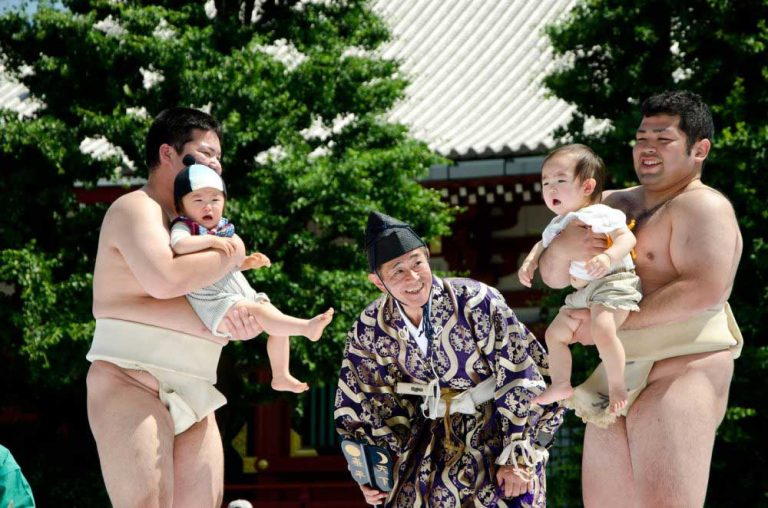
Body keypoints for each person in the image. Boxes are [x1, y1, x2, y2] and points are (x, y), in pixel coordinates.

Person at [538, 90, 743, 506]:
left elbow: (705, 288)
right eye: (641, 138)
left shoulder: (706, 207)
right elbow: (555, 277)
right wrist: (558, 250)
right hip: (619, 368)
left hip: (684, 363)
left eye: (663, 139)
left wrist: (612, 324)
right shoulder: (608, 204)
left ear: (698, 149)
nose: (647, 149)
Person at [86, 107, 267, 507]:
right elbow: (163, 280)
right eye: (205, 152)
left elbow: (235, 303)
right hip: (130, 378)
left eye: (218, 155)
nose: (215, 162)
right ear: (168, 154)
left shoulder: (206, 227)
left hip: (195, 384)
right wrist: (233, 252)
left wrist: (247, 317)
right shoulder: (136, 208)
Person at [334, 211, 565, 507]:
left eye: (418, 263)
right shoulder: (371, 325)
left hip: (498, 430)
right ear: (379, 282)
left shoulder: (476, 300)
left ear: (428, 258)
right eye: (398, 271)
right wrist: (372, 476)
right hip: (430, 438)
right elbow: (362, 400)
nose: (413, 277)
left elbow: (521, 373)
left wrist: (520, 454)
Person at [170, 162, 334, 393]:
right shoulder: (186, 227)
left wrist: (247, 263)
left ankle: (281, 375)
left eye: (215, 200)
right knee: (264, 313)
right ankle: (307, 327)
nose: (208, 206)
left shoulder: (222, 229)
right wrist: (212, 241)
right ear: (181, 206)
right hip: (215, 302)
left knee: (276, 321)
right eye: (198, 200)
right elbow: (179, 245)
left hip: (237, 295)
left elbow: (225, 267)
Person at [518, 144, 641, 421]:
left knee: (602, 329)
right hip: (584, 291)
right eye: (545, 182)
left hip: (613, 280)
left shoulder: (601, 213)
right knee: (554, 334)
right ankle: (561, 383)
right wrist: (529, 262)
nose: (551, 188)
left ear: (587, 186)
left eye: (560, 181)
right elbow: (542, 244)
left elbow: (628, 239)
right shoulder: (557, 224)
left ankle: (617, 385)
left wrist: (609, 257)